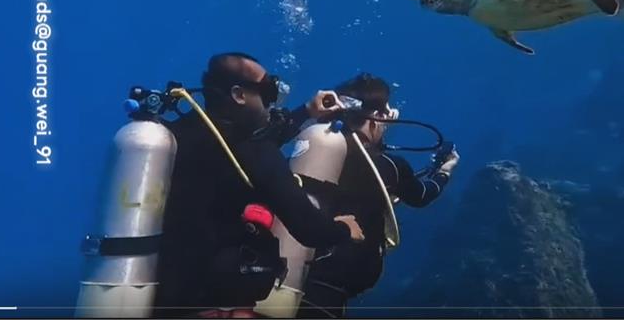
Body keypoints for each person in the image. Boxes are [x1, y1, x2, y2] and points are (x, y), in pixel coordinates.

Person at [155, 53, 366, 319]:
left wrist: (308, 112)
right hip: (210, 302)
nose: (273, 101)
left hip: (162, 295)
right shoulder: (255, 152)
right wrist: (344, 229)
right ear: (238, 95)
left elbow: (255, 139)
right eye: (268, 90)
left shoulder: (182, 133)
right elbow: (311, 230)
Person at [296, 73, 461, 319]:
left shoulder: (316, 152)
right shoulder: (388, 166)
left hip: (290, 277)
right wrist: (444, 172)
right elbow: (421, 195)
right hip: (329, 291)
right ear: (377, 118)